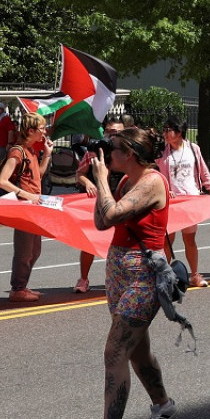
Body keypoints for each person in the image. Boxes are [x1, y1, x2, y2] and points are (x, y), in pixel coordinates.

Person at [70, 126, 176, 419]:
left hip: (143, 275)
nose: (107, 154)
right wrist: (103, 181)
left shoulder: (151, 181)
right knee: (136, 349)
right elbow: (103, 223)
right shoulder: (124, 181)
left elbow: (112, 214)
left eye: (113, 148)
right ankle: (163, 405)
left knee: (115, 350)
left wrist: (99, 178)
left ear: (129, 153)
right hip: (118, 270)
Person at [0, 113, 53, 302]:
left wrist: (47, 154)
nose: (45, 131)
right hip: (24, 207)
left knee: (35, 250)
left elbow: (38, 176)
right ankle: (17, 289)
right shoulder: (17, 152)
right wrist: (27, 195)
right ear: (31, 131)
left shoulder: (31, 151)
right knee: (24, 250)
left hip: (34, 207)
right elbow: (2, 181)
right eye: (42, 128)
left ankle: (22, 286)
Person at [157, 118, 210, 286]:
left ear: (179, 132)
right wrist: (163, 188)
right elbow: (154, 172)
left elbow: (203, 171)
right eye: (165, 129)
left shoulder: (193, 149)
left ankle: (195, 275)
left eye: (169, 130)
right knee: (166, 241)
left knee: (189, 240)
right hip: (171, 202)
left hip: (191, 200)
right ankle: (165, 276)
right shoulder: (162, 152)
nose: (165, 133)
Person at [74, 115, 125, 292]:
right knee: (89, 242)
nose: (114, 136)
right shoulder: (93, 151)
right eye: (111, 132)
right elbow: (79, 174)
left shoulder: (127, 153)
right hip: (97, 205)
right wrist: (88, 183)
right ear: (104, 132)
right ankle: (83, 279)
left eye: (118, 132)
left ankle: (119, 279)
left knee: (121, 243)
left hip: (121, 204)